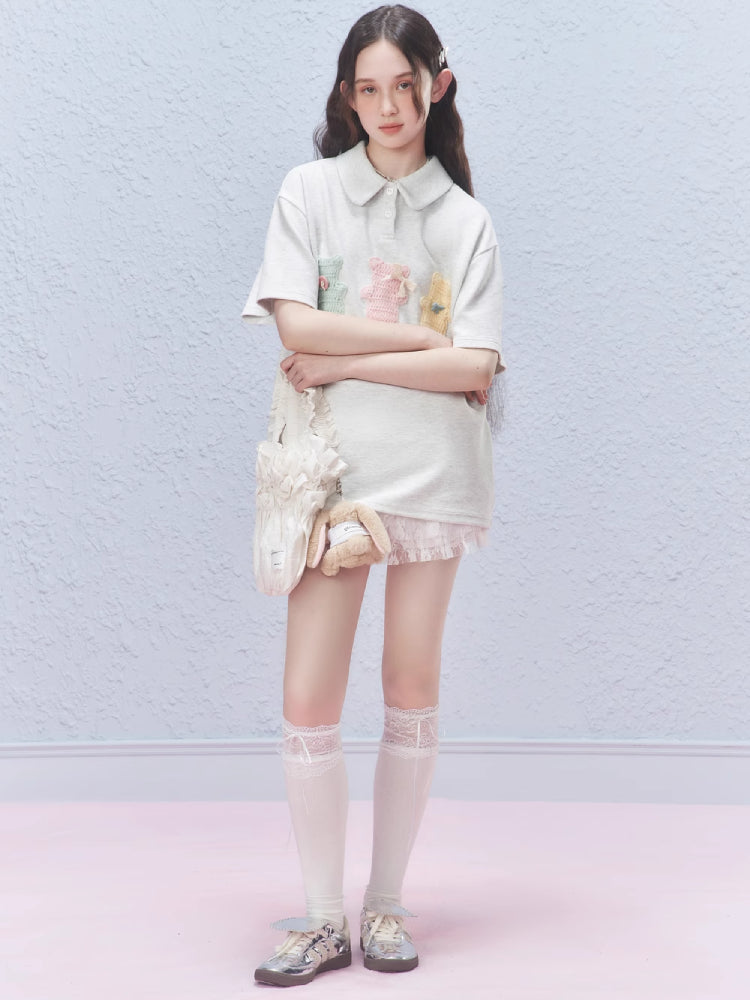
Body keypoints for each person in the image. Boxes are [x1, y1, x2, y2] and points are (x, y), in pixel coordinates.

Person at [242, 4, 503, 987]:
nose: (389, 106)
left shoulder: (465, 221)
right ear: (347, 98)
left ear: (438, 86)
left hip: (436, 471)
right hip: (332, 475)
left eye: (405, 85)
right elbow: (296, 329)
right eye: (369, 89)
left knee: (409, 687)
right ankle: (322, 919)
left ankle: (385, 904)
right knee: (309, 698)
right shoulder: (310, 191)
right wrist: (421, 342)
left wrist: (362, 356)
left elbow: (476, 367)